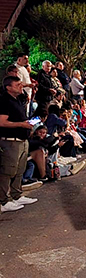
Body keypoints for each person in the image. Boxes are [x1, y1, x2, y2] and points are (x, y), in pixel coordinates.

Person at [0, 76, 38, 213]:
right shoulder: (4, 101)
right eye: (17, 85)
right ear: (8, 87)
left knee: (20, 169)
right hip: (10, 141)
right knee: (7, 171)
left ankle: (16, 194)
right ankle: (4, 200)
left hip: (22, 140)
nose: (21, 86)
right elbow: (2, 122)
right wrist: (21, 124)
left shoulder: (18, 99)